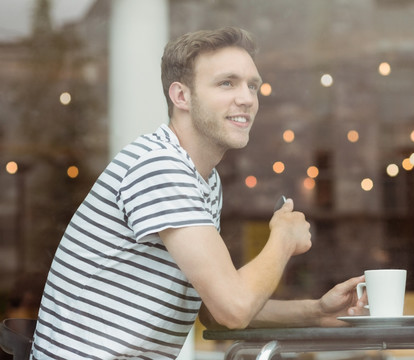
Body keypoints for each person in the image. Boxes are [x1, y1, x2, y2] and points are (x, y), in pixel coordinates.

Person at [31, 27, 366, 360]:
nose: (247, 98)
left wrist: (316, 310)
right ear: (181, 96)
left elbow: (213, 309)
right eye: (227, 83)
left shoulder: (202, 179)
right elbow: (233, 308)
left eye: (253, 85)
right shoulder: (160, 166)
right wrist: (283, 238)